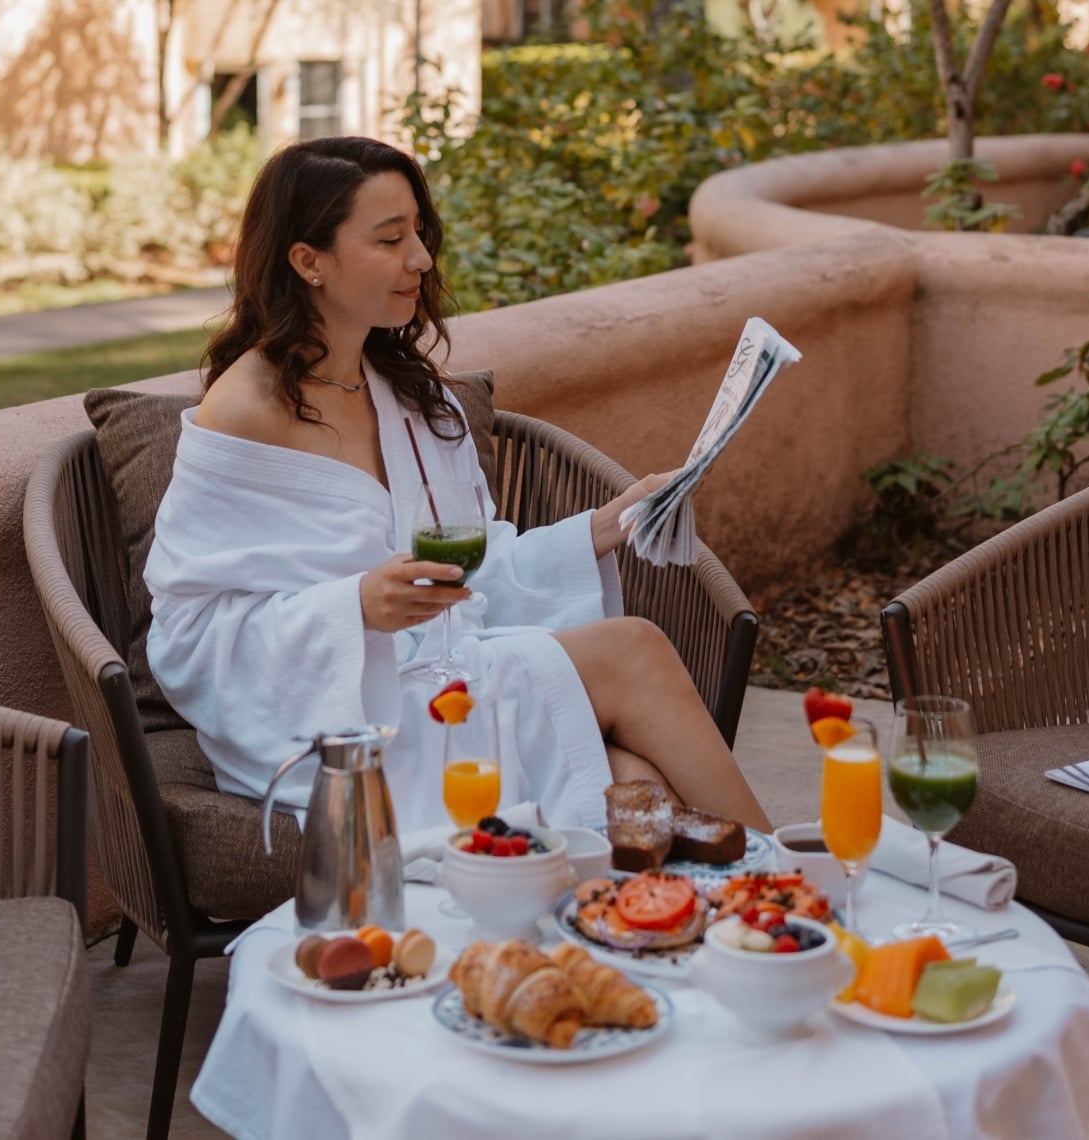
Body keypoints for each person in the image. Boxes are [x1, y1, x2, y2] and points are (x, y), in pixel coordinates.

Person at [145, 136, 770, 834]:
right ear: (307, 260)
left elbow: (465, 574)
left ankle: (692, 924)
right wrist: (352, 607)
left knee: (637, 789)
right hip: (334, 725)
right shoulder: (245, 413)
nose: (419, 258)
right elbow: (189, 634)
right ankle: (801, 886)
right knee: (631, 651)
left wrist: (604, 527)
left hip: (444, 680)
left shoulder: (412, 402)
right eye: (389, 239)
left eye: (419, 232)